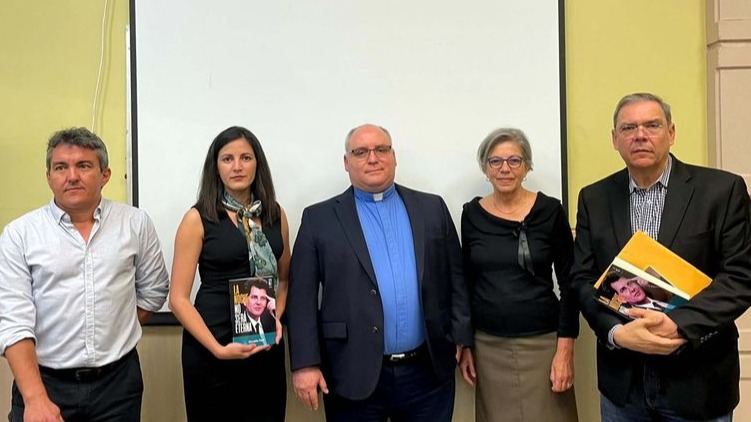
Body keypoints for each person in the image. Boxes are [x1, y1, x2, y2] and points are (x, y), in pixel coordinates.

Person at [571, 92, 751, 421]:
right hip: (623, 388)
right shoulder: (593, 198)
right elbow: (582, 279)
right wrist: (616, 333)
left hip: (698, 381)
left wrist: (677, 325)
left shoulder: (722, 191)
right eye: (628, 128)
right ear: (614, 139)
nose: (640, 135)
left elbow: (740, 277)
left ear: (671, 132)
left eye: (652, 125)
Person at [286, 124, 472, 422]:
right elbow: (301, 299)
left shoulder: (431, 207)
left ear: (393, 156)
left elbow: (457, 278)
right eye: (360, 152)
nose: (372, 158)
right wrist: (305, 364)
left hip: (427, 372)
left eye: (381, 149)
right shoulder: (318, 218)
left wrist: (464, 339)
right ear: (347, 162)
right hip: (351, 372)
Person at [0, 127, 169, 421]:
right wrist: (35, 397)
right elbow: (13, 320)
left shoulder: (135, 224)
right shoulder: (20, 234)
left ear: (105, 174)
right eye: (61, 167)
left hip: (118, 383)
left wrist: (116, 326)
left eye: (84, 165)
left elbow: (153, 291)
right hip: (44, 383)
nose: (72, 176)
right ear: (49, 176)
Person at [169, 126, 290, 422]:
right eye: (227, 159)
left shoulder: (275, 214)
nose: (237, 166)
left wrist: (275, 318)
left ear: (257, 164)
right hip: (213, 349)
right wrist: (218, 349)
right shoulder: (198, 218)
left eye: (246, 157)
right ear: (216, 167)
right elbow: (178, 299)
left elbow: (285, 280)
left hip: (264, 348)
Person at [458, 127, 579, 422]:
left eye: (514, 160)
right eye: (495, 161)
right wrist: (466, 343)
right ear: (485, 169)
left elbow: (570, 282)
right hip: (488, 346)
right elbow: (466, 283)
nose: (505, 169)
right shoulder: (471, 214)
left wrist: (565, 351)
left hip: (545, 344)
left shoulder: (550, 211)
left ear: (527, 166)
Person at [605, 274, 673, 312]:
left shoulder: (660, 294)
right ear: (621, 299)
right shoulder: (640, 318)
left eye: (629, 283)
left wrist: (653, 280)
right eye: (623, 290)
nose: (632, 289)